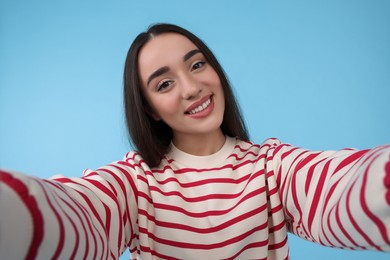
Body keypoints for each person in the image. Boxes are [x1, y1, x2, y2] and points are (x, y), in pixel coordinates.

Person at [1, 23, 390, 260]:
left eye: (197, 64)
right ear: (149, 108)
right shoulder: (135, 184)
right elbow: (78, 214)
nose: (191, 88)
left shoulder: (272, 167)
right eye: (165, 83)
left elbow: (341, 187)